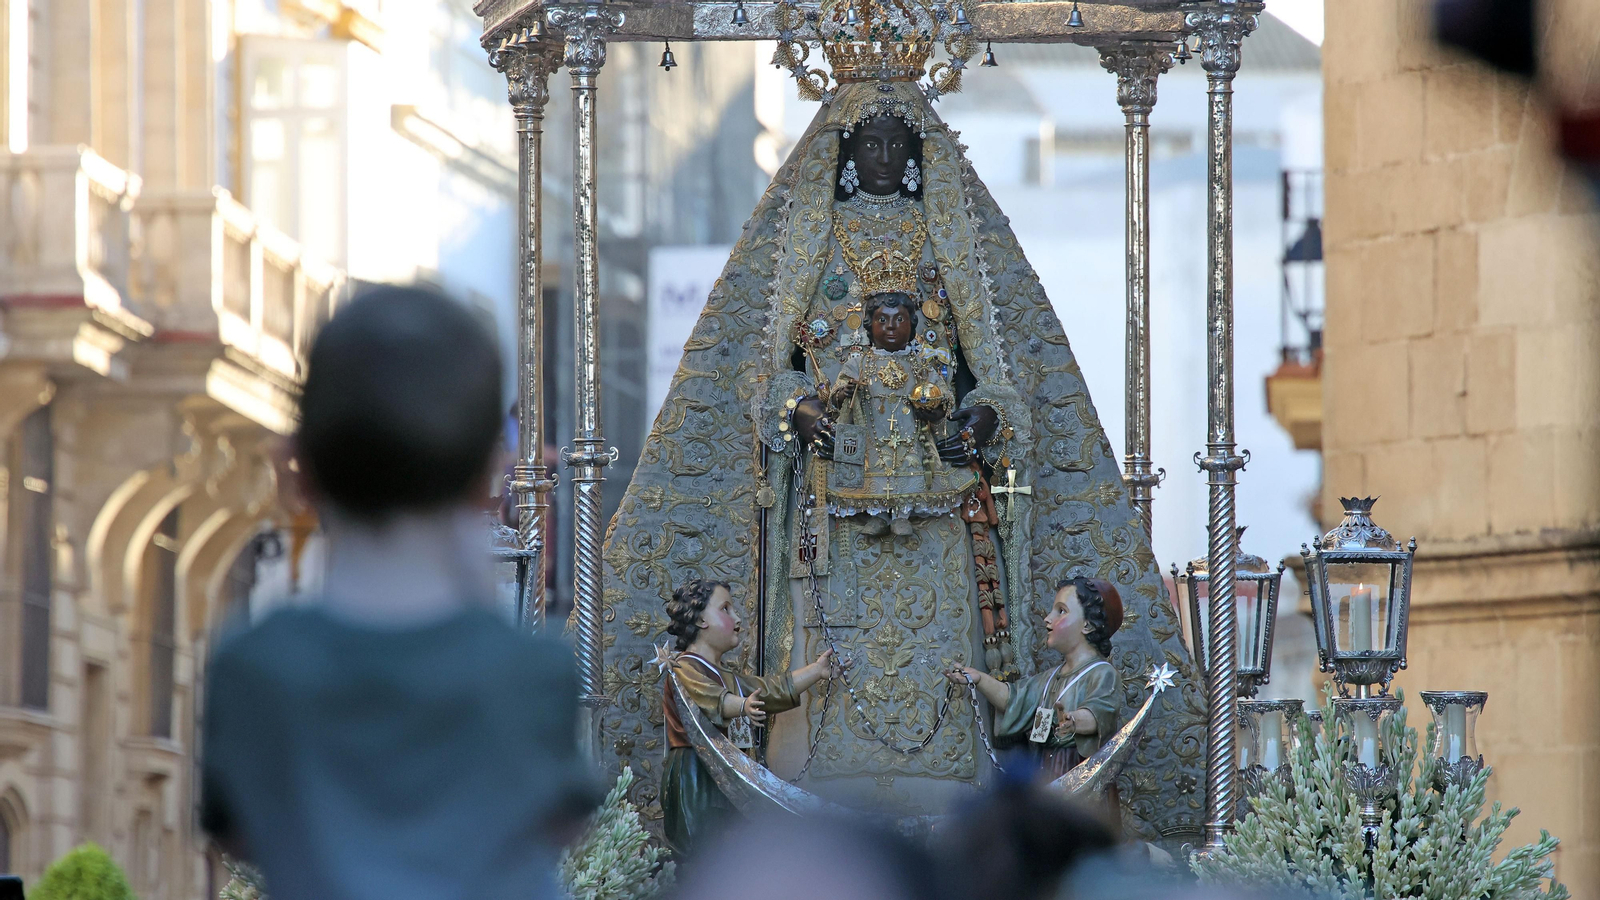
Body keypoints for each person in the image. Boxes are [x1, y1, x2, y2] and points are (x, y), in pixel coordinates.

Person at [200, 285, 598, 900]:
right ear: (487, 477)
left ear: (296, 470)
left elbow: (236, 832)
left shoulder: (254, 666)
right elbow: (560, 824)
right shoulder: (530, 671)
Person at [660, 579, 834, 855]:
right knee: (701, 850)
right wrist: (742, 705)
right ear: (701, 620)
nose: (738, 618)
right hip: (696, 772)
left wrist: (816, 671)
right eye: (726, 609)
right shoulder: (684, 666)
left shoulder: (725, 674)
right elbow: (710, 697)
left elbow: (769, 689)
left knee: (728, 847)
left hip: (726, 768)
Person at [949, 577, 1124, 782]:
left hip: (1075, 771)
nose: (1047, 619)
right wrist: (979, 679)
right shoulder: (1049, 678)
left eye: (1061, 611)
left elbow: (1101, 712)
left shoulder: (1102, 673)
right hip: (1044, 768)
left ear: (1087, 625)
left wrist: (1073, 720)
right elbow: (1013, 699)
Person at [828, 290, 972, 536]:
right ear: (869, 326)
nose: (891, 326)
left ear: (912, 325)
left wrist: (935, 408)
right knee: (874, 470)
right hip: (872, 430)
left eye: (900, 319)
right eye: (882, 320)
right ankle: (877, 514)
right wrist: (845, 392)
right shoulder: (858, 364)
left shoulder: (920, 365)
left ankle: (902, 514)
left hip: (910, 429)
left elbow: (943, 395)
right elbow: (836, 394)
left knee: (910, 466)